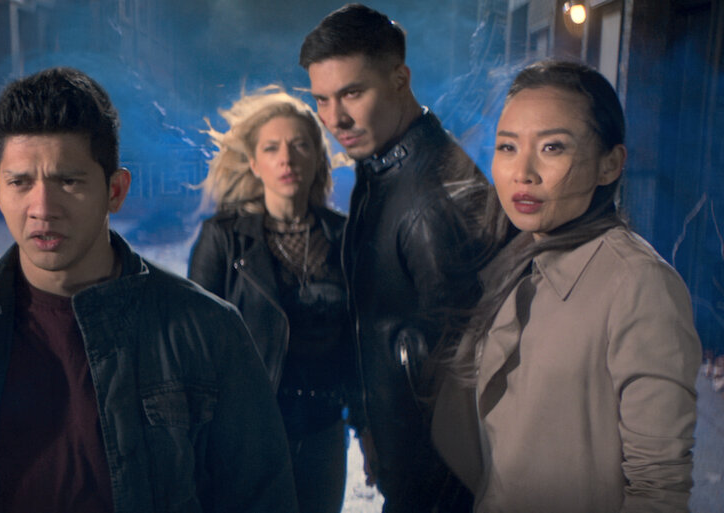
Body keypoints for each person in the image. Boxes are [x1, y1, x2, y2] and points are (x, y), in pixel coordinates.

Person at [0, 67, 297, 513]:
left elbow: (262, 498)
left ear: (115, 190)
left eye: (68, 181)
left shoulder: (205, 329)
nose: (42, 208)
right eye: (21, 183)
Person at [431, 60, 702, 512]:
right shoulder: (519, 257)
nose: (523, 172)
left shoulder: (640, 285)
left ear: (610, 165)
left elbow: (658, 488)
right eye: (507, 146)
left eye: (552, 147)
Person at [300, 4, 490, 511]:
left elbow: (474, 373)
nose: (334, 119)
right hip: (407, 470)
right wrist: (370, 427)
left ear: (400, 80)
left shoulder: (434, 194)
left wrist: (431, 484)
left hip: (441, 488)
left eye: (352, 93)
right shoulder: (381, 165)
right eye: (321, 99)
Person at [188, 87, 351, 513]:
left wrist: (367, 425)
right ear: (255, 163)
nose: (287, 159)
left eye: (300, 145)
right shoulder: (223, 238)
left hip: (323, 429)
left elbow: (361, 339)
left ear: (318, 157)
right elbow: (197, 348)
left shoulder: (345, 236)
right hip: (250, 431)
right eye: (272, 148)